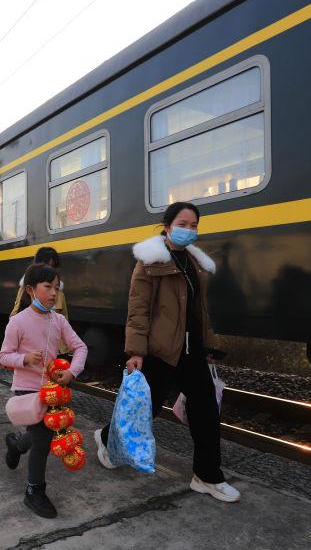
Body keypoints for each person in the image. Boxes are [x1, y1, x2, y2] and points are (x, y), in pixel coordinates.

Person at [95, 201, 239, 503]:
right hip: (160, 351)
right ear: (167, 226)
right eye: (182, 224)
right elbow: (138, 310)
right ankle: (107, 438)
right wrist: (136, 351)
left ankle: (207, 476)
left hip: (192, 351)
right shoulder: (150, 262)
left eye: (194, 225)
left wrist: (208, 344)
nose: (189, 230)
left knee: (206, 413)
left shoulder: (194, 262)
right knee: (145, 410)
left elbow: (199, 312)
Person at [0, 263, 87, 518]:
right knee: (42, 438)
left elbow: (80, 348)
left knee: (40, 435)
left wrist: (72, 372)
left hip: (52, 391)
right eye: (48, 287)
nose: (53, 293)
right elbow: (3, 356)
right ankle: (34, 490)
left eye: (57, 288)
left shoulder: (58, 320)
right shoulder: (17, 322)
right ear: (30, 290)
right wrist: (24, 359)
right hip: (26, 390)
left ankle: (16, 444)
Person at [10, 247, 68, 318]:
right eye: (46, 266)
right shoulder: (25, 289)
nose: (50, 271)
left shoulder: (59, 292)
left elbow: (65, 318)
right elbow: (15, 314)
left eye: (53, 267)